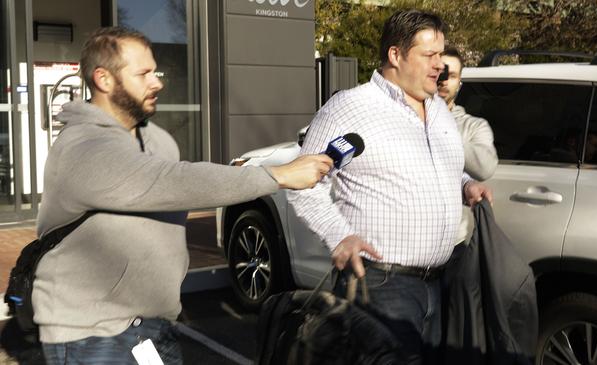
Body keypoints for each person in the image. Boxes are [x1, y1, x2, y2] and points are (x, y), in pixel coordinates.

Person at [33, 27, 332, 365]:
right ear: (103, 79)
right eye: (143, 73)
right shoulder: (81, 147)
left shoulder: (158, 140)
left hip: (154, 326)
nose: (157, 82)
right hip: (92, 333)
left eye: (155, 71)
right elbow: (171, 182)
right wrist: (277, 175)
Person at [287, 9, 492, 363]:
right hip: (380, 287)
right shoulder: (350, 107)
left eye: (441, 55)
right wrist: (338, 235)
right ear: (395, 55)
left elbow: (438, 169)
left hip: (437, 282)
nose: (439, 65)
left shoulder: (438, 109)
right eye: (429, 55)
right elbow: (303, 182)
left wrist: (465, 186)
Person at [437, 46, 498, 246]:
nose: (443, 80)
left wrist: (439, 126)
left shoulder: (473, 126)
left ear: (460, 83)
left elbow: (485, 167)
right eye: (439, 72)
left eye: (451, 75)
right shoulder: (406, 116)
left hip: (453, 241)